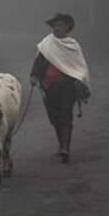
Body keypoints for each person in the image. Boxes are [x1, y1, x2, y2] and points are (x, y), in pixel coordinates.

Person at [29, 13, 91, 163]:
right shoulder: (46, 44)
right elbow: (39, 62)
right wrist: (34, 75)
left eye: (61, 25)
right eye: (55, 25)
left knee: (65, 114)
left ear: (68, 28)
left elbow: (80, 67)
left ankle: (65, 148)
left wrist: (79, 79)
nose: (57, 28)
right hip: (48, 87)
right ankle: (61, 143)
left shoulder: (73, 46)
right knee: (54, 117)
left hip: (67, 87)